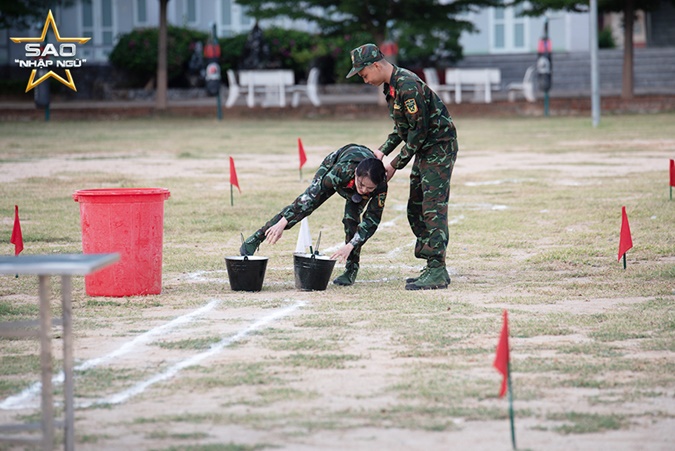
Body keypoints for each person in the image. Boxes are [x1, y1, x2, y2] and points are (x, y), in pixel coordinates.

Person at [346, 43, 459, 291]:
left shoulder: (407, 85)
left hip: (438, 147)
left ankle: (437, 269)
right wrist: (383, 149)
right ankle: (432, 265)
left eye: (364, 75)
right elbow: (403, 128)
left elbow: (417, 134)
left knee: (432, 208)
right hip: (425, 149)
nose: (364, 80)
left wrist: (394, 164)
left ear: (375, 65)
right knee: (415, 207)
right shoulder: (393, 87)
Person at [240, 144, 387, 286]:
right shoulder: (340, 171)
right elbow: (308, 198)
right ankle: (256, 238)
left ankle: (351, 269)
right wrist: (283, 221)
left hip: (355, 181)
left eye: (369, 188)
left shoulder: (380, 186)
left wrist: (350, 245)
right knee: (306, 207)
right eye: (361, 185)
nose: (363, 190)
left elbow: (371, 222)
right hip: (336, 164)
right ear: (355, 174)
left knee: (351, 221)